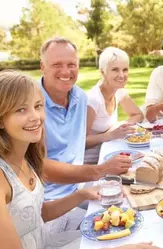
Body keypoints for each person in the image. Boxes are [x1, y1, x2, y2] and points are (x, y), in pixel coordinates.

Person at [0, 71, 163, 249]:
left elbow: (35, 214)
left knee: (131, 240)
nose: (35, 117)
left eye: (38, 106)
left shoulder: (25, 157)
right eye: (21, 110)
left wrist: (81, 195)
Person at [39, 37, 132, 202]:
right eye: (57, 65)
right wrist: (100, 170)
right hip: (48, 199)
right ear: (42, 67)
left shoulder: (80, 97)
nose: (66, 71)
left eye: (71, 64)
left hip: (79, 185)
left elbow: (76, 148)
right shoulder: (31, 102)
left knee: (131, 196)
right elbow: (39, 167)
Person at [85, 47, 144, 164]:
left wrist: (122, 126)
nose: (121, 75)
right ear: (103, 72)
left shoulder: (119, 91)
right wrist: (111, 134)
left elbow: (138, 115)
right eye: (115, 70)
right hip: (91, 163)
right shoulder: (93, 100)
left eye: (125, 69)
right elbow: (81, 142)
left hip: (112, 154)